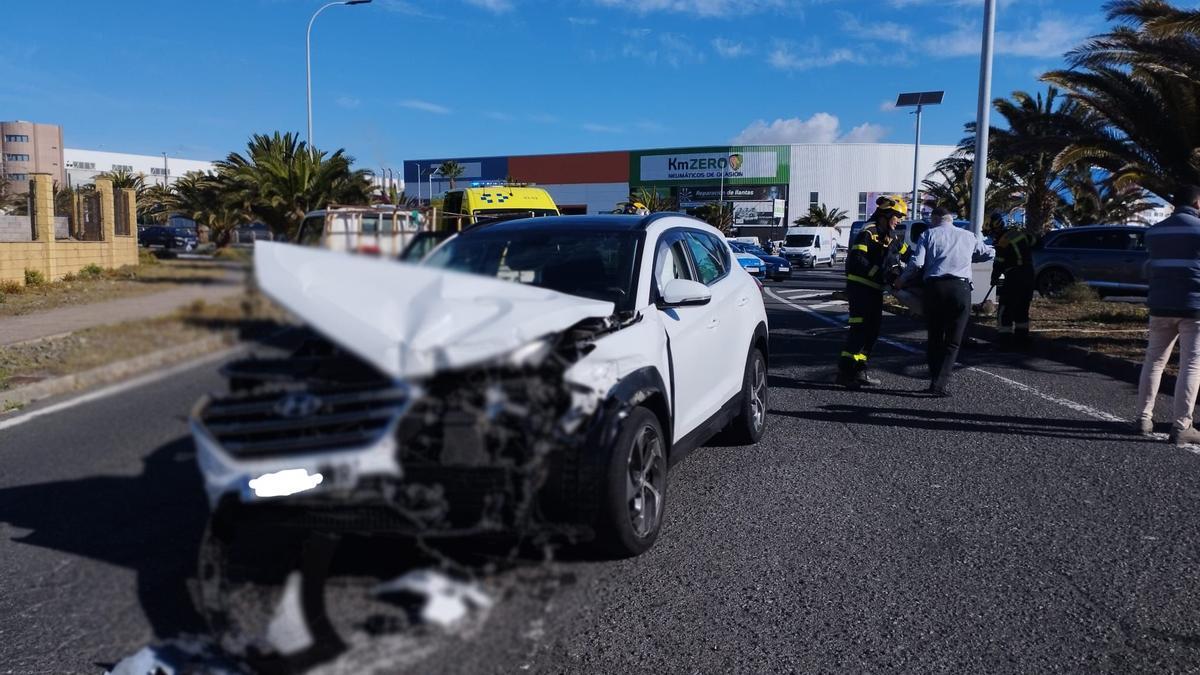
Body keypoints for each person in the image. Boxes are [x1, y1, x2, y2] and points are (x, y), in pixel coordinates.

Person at [896, 207, 994, 396]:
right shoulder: (968, 236)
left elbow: (917, 263)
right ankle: (940, 384)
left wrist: (902, 280)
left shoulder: (928, 234)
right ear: (951, 219)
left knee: (935, 337)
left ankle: (934, 380)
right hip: (960, 289)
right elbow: (988, 253)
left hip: (935, 288)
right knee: (953, 341)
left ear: (935, 219)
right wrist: (968, 256)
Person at [1134, 184, 1200, 445]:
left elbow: (1147, 268)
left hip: (1160, 305)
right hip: (1194, 307)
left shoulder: (1155, 232)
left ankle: (1143, 418)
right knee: (1191, 365)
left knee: (1154, 361)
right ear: (1197, 203)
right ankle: (1182, 426)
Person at [836, 195, 908, 388]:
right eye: (897, 216)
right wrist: (878, 273)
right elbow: (858, 260)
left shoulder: (892, 236)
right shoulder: (868, 232)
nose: (899, 221)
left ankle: (859, 371)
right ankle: (845, 372)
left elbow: (907, 253)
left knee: (872, 332)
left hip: (874, 291)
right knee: (859, 330)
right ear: (885, 214)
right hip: (860, 289)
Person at [987, 213, 1036, 349]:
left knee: (1005, 307)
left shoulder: (1002, 240)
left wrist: (994, 278)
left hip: (1014, 275)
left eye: (991, 233)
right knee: (1022, 307)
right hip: (1029, 274)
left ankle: (1005, 339)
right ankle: (1022, 338)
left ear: (996, 229)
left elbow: (999, 262)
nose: (991, 237)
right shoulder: (1016, 234)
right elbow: (1034, 240)